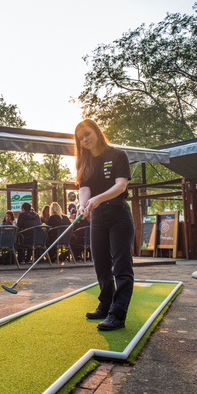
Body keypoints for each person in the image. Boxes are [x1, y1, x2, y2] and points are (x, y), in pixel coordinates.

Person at [76, 118, 134, 331]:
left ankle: (118, 314)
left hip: (118, 214)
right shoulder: (85, 162)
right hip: (98, 217)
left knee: (121, 266)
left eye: (87, 134)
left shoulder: (118, 155)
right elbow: (85, 189)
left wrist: (98, 200)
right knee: (100, 263)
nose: (85, 140)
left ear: (97, 132)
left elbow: (121, 186)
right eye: (81, 138)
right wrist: (83, 206)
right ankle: (105, 304)